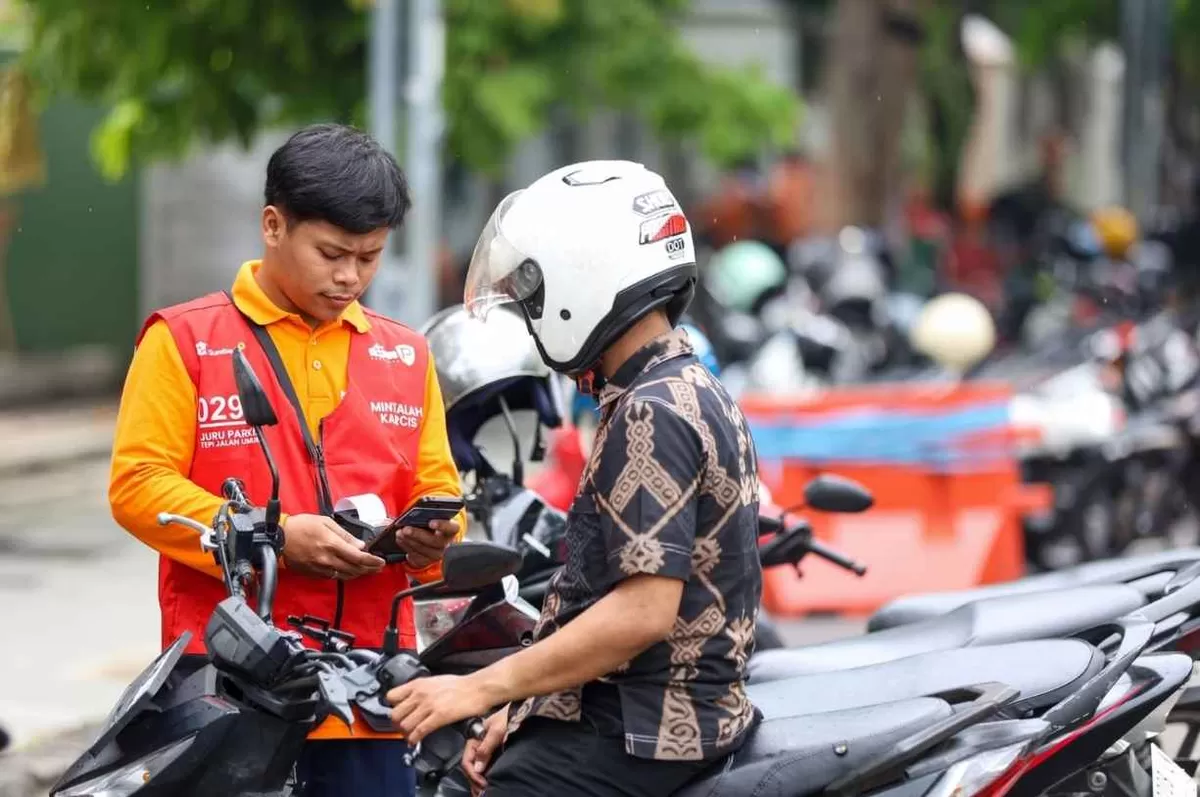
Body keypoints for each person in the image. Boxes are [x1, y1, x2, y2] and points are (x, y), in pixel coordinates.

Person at [108, 123, 465, 797]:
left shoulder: (406, 355)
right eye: (331, 252)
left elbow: (440, 492)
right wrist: (273, 537)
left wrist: (431, 540)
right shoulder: (183, 340)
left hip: (370, 692)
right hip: (226, 686)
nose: (350, 276)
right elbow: (137, 485)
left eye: (370, 256)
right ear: (273, 225)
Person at [386, 160, 764, 796]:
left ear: (582, 277)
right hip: (661, 718)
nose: (532, 315)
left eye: (533, 292)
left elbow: (640, 614)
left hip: (640, 729)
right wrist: (523, 708)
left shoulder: (651, 409)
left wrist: (476, 688)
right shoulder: (691, 387)